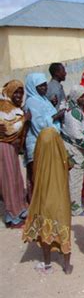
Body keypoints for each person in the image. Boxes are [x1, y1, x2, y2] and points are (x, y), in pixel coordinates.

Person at [22, 127, 73, 275]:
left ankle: (48, 263)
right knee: (64, 230)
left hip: (44, 198)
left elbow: (34, 173)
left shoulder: (39, 155)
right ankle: (67, 266)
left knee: (46, 231)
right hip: (61, 198)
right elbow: (70, 165)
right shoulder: (61, 152)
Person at [24, 73, 64, 193]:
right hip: (37, 143)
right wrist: (57, 116)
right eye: (40, 86)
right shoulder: (32, 101)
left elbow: (45, 114)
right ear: (33, 87)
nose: (44, 88)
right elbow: (39, 125)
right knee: (40, 177)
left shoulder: (42, 99)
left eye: (45, 85)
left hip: (47, 142)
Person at [0, 80, 29, 227]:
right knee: (8, 180)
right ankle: (12, 215)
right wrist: (24, 119)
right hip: (4, 147)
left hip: (11, 148)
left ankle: (20, 208)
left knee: (16, 177)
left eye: (21, 92)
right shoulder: (4, 107)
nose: (19, 95)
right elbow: (8, 128)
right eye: (16, 92)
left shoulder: (13, 107)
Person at [62, 85, 84, 216]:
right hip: (74, 149)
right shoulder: (74, 113)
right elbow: (76, 135)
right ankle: (76, 208)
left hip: (74, 148)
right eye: (82, 96)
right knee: (75, 178)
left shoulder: (75, 110)